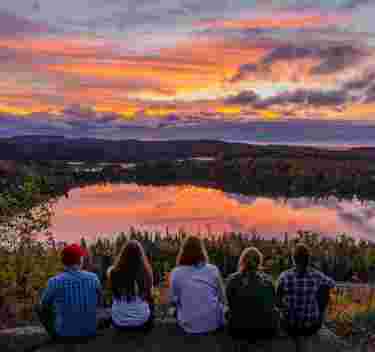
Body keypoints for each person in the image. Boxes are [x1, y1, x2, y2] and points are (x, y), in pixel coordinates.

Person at [277, 243, 335, 352]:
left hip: (290, 325)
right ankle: (316, 318)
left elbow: (277, 302)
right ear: (308, 259)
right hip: (312, 325)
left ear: (293, 259)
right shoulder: (316, 275)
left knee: (281, 301)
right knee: (324, 288)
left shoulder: (284, 276)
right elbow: (332, 284)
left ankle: (296, 340)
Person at [37, 244, 102, 341]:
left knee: (40, 307)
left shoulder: (54, 281)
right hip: (90, 331)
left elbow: (43, 306)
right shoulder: (93, 277)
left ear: (63, 261)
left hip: (64, 334)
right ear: (80, 260)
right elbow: (99, 300)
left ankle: (54, 335)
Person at [169, 236, 226, 334]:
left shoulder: (176, 272)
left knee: (173, 309)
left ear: (183, 252)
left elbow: (174, 300)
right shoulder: (213, 269)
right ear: (202, 251)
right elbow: (222, 298)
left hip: (188, 325)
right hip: (213, 323)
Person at [226, 247, 279, 342]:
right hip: (264, 330)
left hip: (238, 330)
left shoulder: (232, 279)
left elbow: (228, 303)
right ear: (259, 262)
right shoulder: (268, 280)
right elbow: (273, 303)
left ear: (242, 261)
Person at [107, 240, 154, 332]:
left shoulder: (112, 272)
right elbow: (149, 295)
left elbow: (112, 293)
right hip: (142, 320)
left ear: (122, 255)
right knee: (150, 304)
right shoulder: (146, 273)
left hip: (118, 320)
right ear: (141, 255)